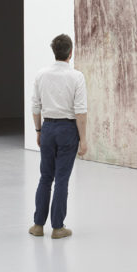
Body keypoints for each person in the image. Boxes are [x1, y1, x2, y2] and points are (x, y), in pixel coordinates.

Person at [29, 34, 87, 239]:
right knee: (61, 179)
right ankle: (58, 227)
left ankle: (37, 225)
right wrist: (84, 139)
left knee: (45, 177)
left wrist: (38, 131)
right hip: (67, 130)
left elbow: (35, 107)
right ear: (70, 53)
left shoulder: (41, 74)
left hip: (48, 128)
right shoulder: (76, 77)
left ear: (54, 52)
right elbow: (80, 111)